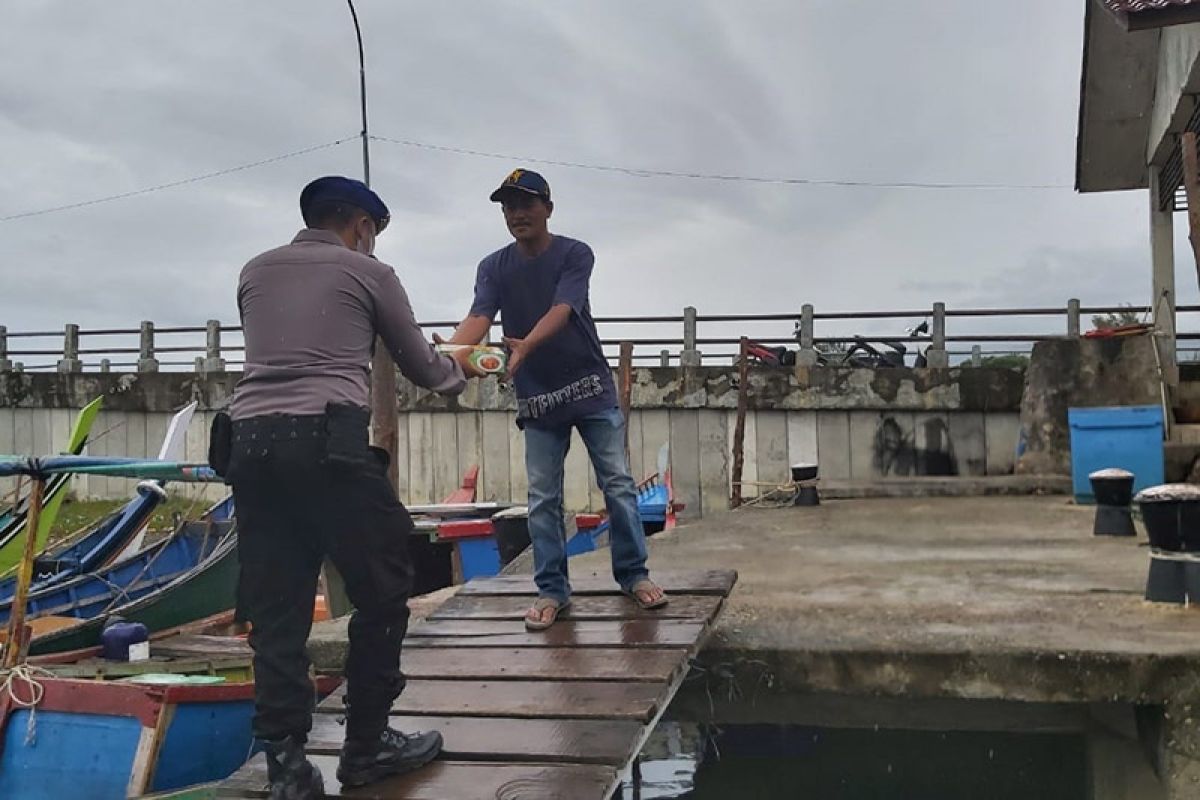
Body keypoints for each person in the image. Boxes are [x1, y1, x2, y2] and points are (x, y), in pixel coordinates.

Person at [218, 176, 481, 798]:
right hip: (327, 445)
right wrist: (460, 369)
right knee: (385, 590)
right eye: (375, 233)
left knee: (277, 612)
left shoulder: (253, 271)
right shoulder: (371, 272)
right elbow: (423, 365)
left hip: (248, 445)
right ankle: (366, 749)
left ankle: (286, 768)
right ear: (362, 226)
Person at [444, 168, 668, 631]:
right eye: (508, 207)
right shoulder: (492, 266)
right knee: (543, 498)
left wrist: (524, 345)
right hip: (538, 399)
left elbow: (564, 311)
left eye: (526, 204)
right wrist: (449, 354)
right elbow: (479, 317)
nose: (517, 214)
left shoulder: (575, 254)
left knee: (619, 487)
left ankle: (633, 575)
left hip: (590, 389)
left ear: (548, 208)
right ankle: (552, 591)